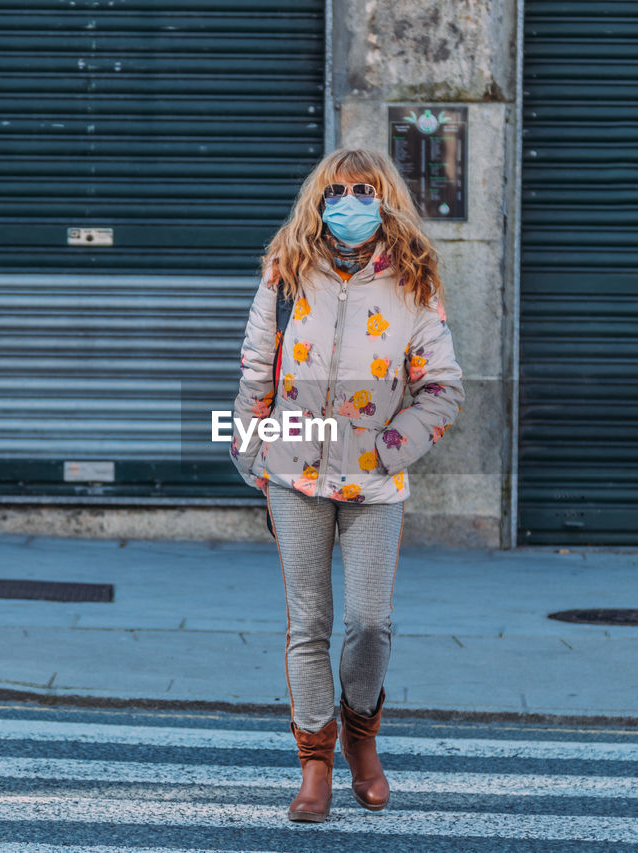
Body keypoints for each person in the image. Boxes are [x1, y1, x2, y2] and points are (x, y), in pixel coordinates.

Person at [229, 147, 464, 822]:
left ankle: (361, 733)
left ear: (387, 197)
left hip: (374, 479)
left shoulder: (414, 281)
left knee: (369, 622)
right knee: (309, 622)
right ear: (318, 198)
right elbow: (255, 368)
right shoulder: (285, 272)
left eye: (365, 189)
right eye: (337, 190)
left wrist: (392, 447)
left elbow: (444, 389)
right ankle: (315, 762)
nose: (350, 201)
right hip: (293, 471)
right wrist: (250, 449)